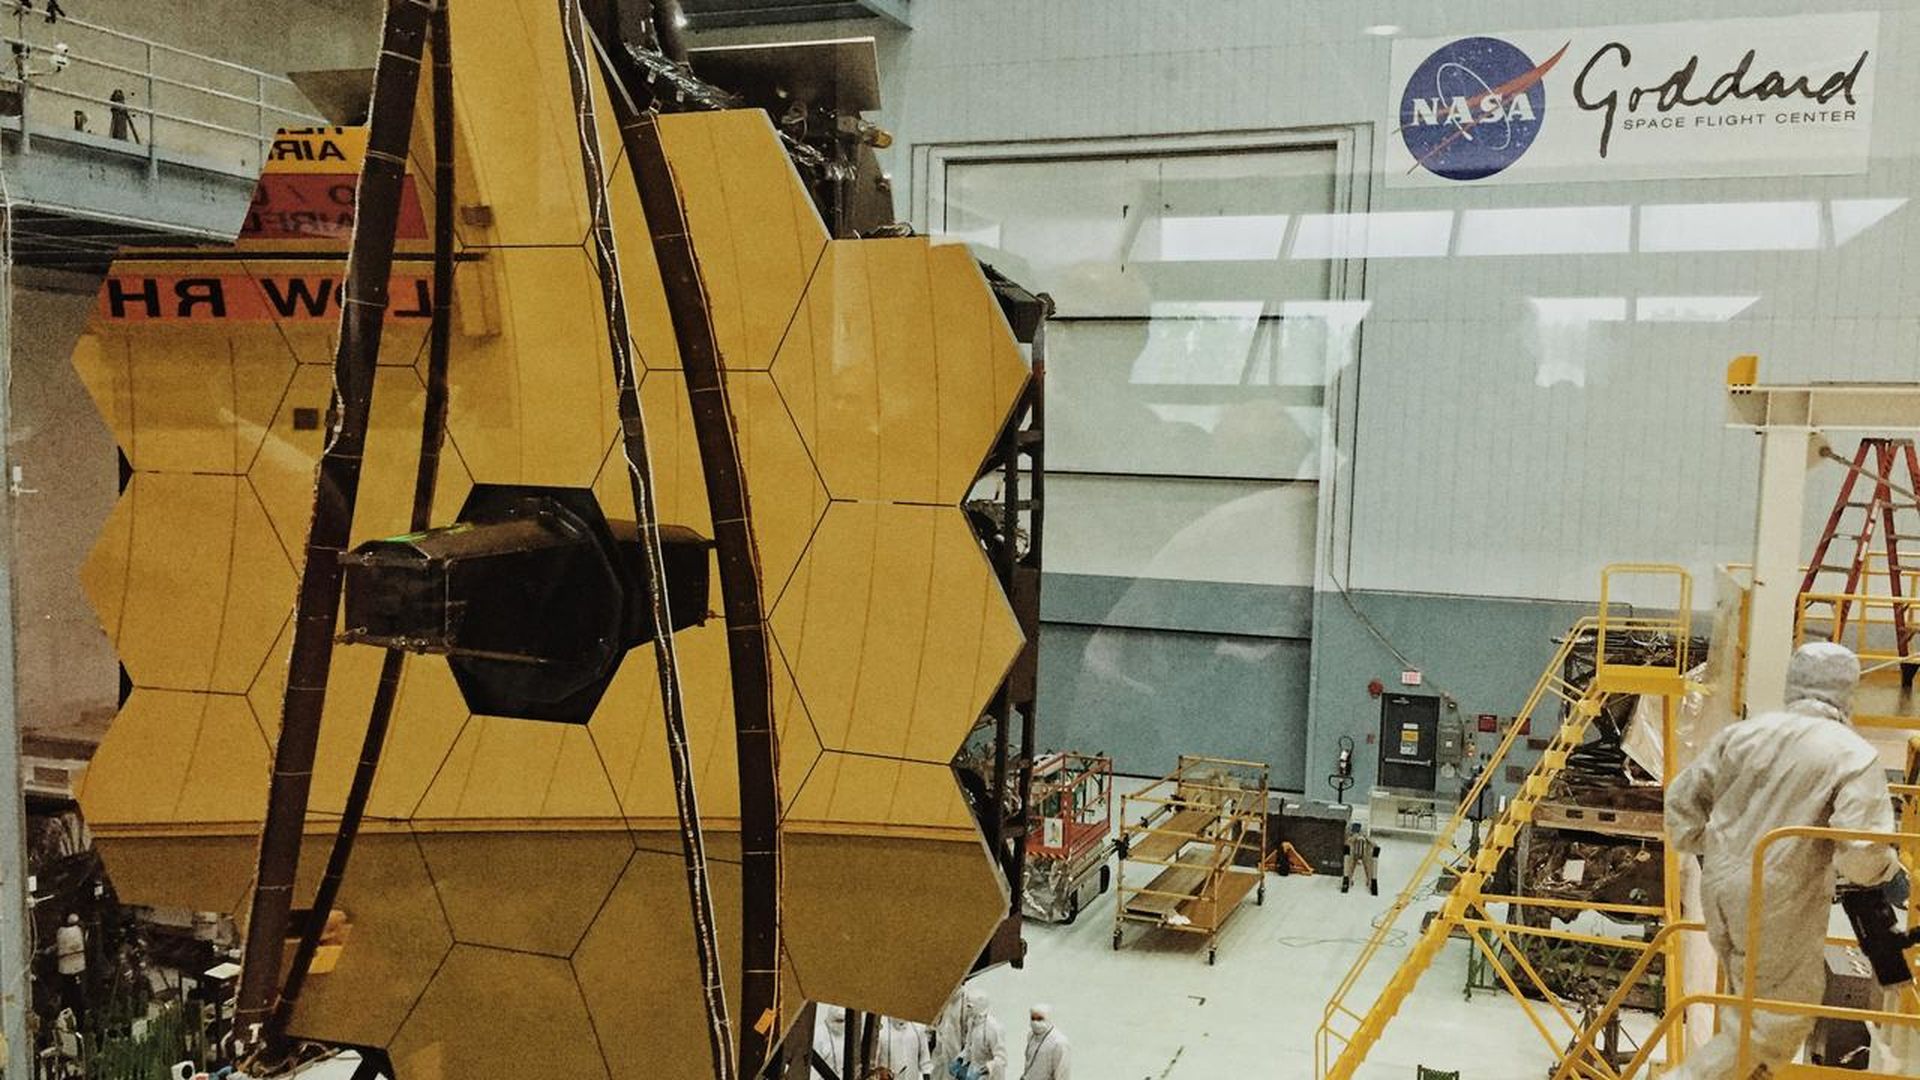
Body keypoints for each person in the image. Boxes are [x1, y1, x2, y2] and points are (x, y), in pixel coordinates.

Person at [1666, 642, 1903, 1079]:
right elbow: (1862, 855)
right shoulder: (1850, 753)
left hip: (1719, 887)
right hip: (1778, 900)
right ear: (1848, 690)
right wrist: (1891, 870)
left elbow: (1682, 802)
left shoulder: (1744, 734)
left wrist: (1711, 848)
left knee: (1748, 1012)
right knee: (1777, 1022)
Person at [946, 986, 1006, 1080]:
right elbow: (969, 1048)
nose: (966, 1008)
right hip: (973, 1071)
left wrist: (983, 1070)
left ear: (979, 1006)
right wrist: (959, 1059)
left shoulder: (993, 1028)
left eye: (969, 1006)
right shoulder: (972, 1022)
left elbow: (1001, 1059)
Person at [873, 1015, 931, 1080]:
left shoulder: (918, 1027)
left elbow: (925, 1061)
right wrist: (880, 1072)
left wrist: (927, 1076)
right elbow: (874, 1060)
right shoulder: (880, 1026)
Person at [1021, 1004, 1069, 1080]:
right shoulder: (1031, 1036)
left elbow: (1062, 1075)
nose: (1035, 1022)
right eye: (1033, 1018)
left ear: (1048, 1018)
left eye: (1039, 1019)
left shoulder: (1059, 1042)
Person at [53, 913, 85, 1019]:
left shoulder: (61, 932)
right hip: (77, 967)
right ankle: (74, 1015)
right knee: (75, 994)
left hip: (67, 967)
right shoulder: (78, 930)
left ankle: (66, 1013)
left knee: (68, 993)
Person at [811, 1004, 846, 1080]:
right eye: (839, 1020)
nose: (843, 1024)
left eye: (844, 1020)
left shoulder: (849, 1035)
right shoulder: (818, 1035)